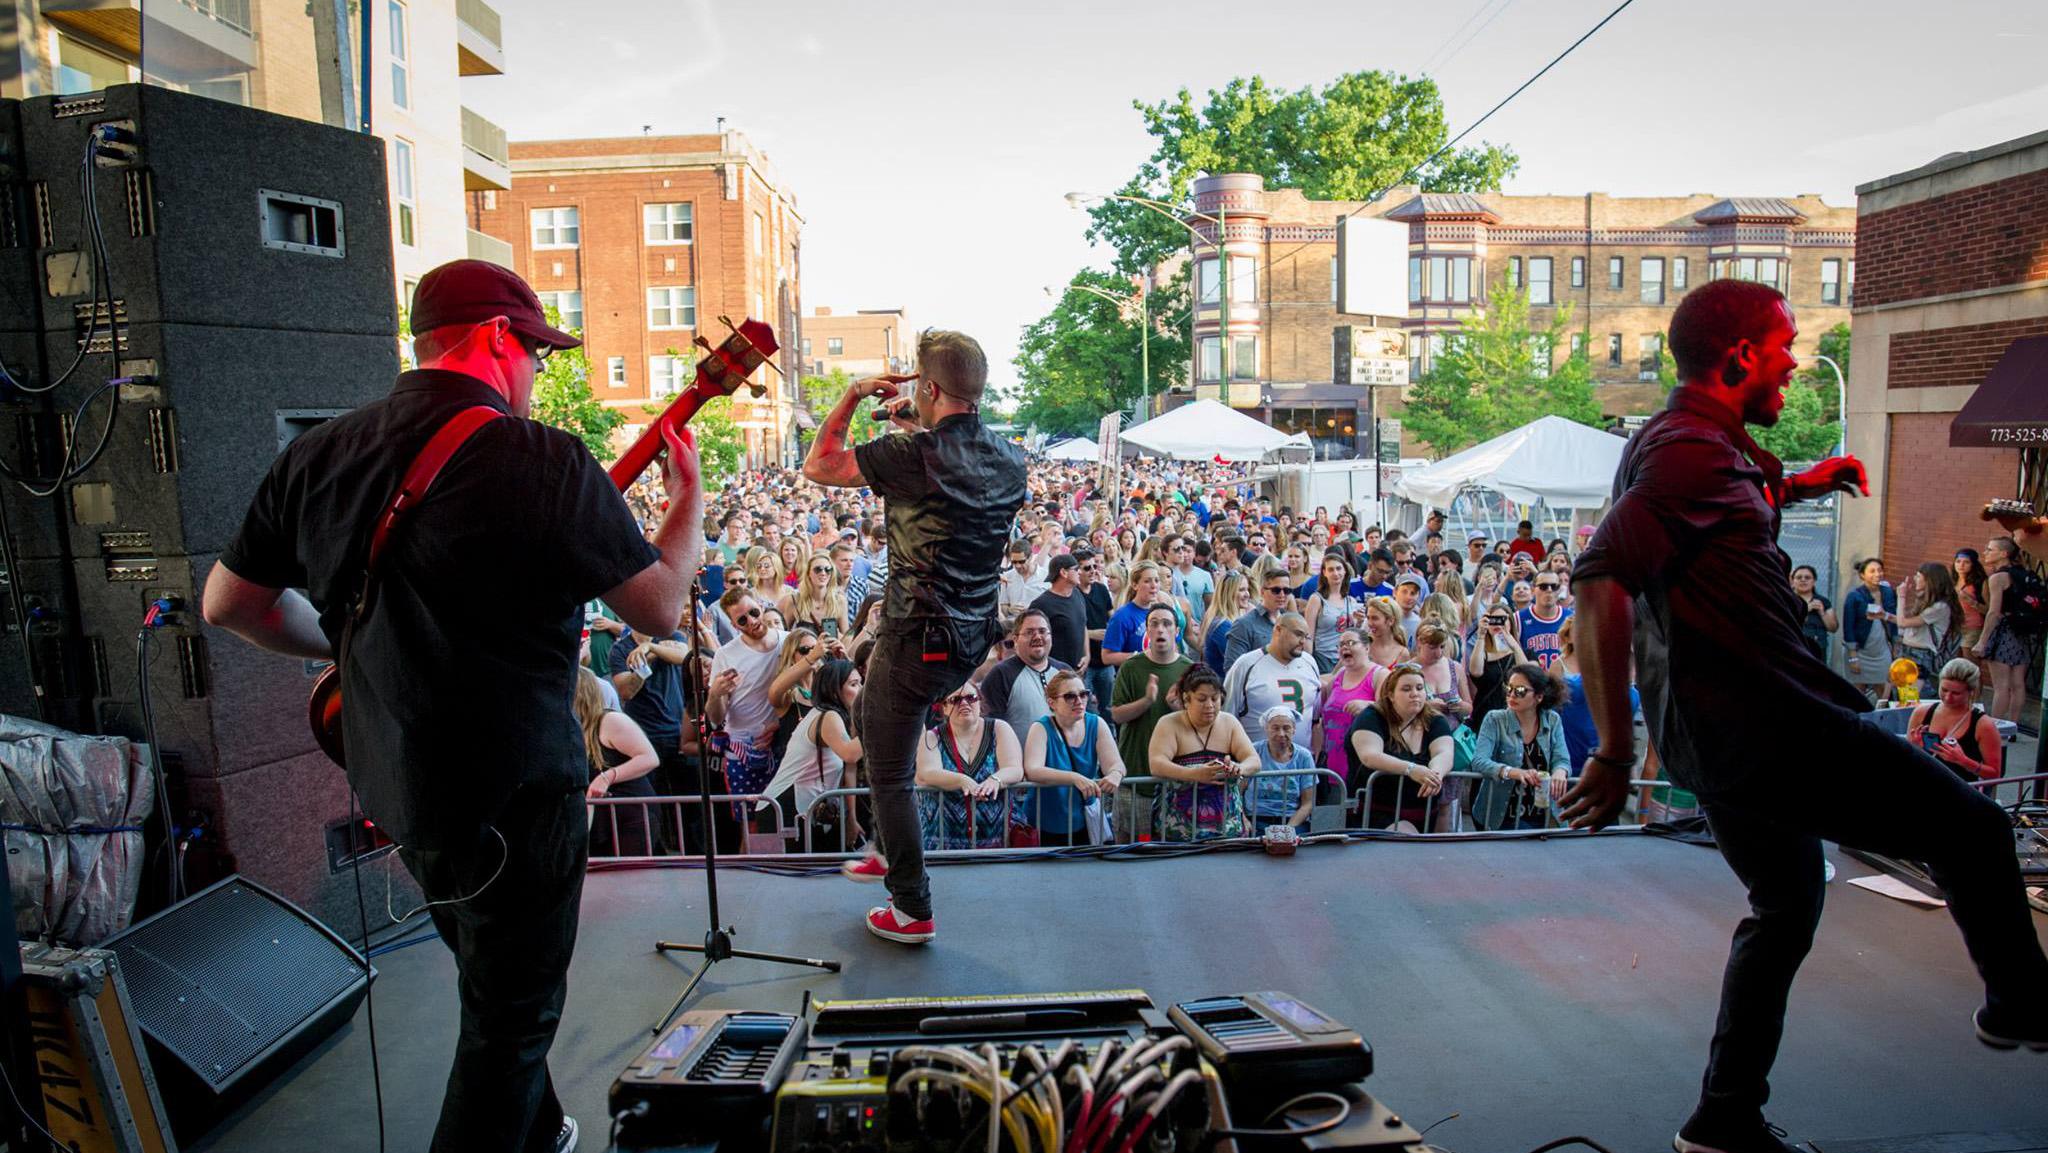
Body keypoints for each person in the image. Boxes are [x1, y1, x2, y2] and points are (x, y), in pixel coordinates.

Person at [202, 259, 703, 1153]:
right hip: (519, 795)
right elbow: (661, 604)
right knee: (508, 1027)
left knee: (493, 986)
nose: (536, 374)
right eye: (536, 353)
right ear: (494, 338)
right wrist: (688, 504)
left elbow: (228, 604)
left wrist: (345, 640)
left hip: (399, 787)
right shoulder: (540, 456)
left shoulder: (317, 452)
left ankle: (539, 1130)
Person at [1563, 277, 2048, 1153]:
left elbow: (1741, 495)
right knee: (1972, 830)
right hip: (1771, 725)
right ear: (1741, 354)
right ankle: (2025, 1004)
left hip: (1722, 738)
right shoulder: (1685, 451)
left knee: (1784, 903)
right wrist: (1611, 745)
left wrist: (1814, 478)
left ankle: (1723, 1117)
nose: (1794, 359)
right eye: (1784, 343)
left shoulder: (1707, 445)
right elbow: (1601, 578)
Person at [802, 329, 1027, 945]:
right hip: (973, 635)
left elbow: (820, 464)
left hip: (913, 635)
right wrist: (916, 426)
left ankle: (911, 907)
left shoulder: (912, 455)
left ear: (928, 387)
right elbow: (952, 470)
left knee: (886, 765)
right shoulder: (1011, 456)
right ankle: (886, 846)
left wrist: (850, 397)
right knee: (889, 749)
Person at [707, 590, 787, 846]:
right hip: (743, 751)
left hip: (782, 745)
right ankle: (750, 879)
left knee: (783, 821)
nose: (752, 621)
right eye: (742, 620)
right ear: (733, 625)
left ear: (761, 606)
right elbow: (715, 717)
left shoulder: (789, 642)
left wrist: (779, 725)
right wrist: (715, 695)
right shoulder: (726, 655)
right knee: (750, 829)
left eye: (754, 612)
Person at [759, 657, 865, 851]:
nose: (861, 689)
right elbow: (850, 755)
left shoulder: (842, 717)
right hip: (785, 809)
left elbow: (850, 768)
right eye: (853, 684)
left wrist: (851, 818)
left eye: (861, 682)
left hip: (806, 811)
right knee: (789, 879)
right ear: (834, 690)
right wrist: (880, 723)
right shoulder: (828, 716)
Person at [1111, 604, 1194, 842]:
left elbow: (1201, 723)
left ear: (1177, 630)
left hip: (1176, 782)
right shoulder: (1131, 666)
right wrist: (1147, 701)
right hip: (1135, 777)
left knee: (1168, 846)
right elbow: (1117, 715)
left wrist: (1177, 707)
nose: (1160, 629)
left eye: (1167, 623)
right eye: (1154, 623)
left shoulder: (1188, 669)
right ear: (1147, 631)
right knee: (1128, 845)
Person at [1147, 665, 1259, 842]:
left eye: (1215, 699)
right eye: (1201, 699)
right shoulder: (1169, 724)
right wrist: (1194, 774)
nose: (1209, 705)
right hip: (1179, 829)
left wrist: (1239, 768)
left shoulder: (1229, 722)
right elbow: (1157, 763)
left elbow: (1253, 760)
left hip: (1227, 826)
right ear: (1186, 699)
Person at [1346, 663, 1457, 832]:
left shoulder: (1435, 720)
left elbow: (1444, 752)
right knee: (1404, 839)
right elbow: (1369, 755)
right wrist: (1411, 769)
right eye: (1406, 689)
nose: (1415, 694)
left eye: (1420, 688)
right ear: (1391, 695)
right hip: (1378, 810)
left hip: (1423, 811)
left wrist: (1435, 774)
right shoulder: (1371, 716)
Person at [914, 684, 1025, 851]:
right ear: (944, 708)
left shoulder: (999, 729)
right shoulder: (932, 737)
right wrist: (962, 780)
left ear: (980, 702)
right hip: (942, 842)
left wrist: (995, 780)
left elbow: (1015, 768)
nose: (964, 703)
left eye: (971, 698)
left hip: (997, 840)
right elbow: (926, 773)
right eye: (956, 700)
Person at [1021, 669, 1125, 846]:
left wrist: (1115, 774)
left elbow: (1116, 763)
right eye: (1070, 696)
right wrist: (1073, 777)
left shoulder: (1096, 723)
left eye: (1083, 694)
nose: (1079, 701)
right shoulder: (1041, 728)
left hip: (1084, 818)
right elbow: (1032, 770)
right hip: (1045, 821)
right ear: (1051, 703)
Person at [1469, 663, 1571, 831]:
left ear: (1539, 696)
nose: (1512, 695)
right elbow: (1479, 761)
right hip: (1502, 815)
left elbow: (1562, 758)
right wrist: (1512, 772)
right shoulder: (1495, 719)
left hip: (1544, 813)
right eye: (1509, 689)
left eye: (1521, 691)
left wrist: (1561, 771)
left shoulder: (1552, 720)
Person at [576, 668, 661, 859]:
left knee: (630, 877)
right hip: (601, 820)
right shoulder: (574, 729)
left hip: (633, 815)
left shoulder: (610, 720)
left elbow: (649, 758)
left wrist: (607, 777)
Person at [980, 608, 1073, 749]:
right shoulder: (1000, 675)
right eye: (1029, 632)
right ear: (1016, 640)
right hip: (1023, 766)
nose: (1037, 637)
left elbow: (1085, 716)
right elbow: (991, 730)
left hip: (1067, 762)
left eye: (1042, 631)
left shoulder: (1065, 672)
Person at [1222, 611, 1323, 740]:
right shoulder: (1246, 664)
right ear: (1278, 630)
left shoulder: (1310, 662)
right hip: (1258, 756)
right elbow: (1227, 714)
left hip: (1301, 757)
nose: (1303, 641)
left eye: (1306, 637)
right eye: (1298, 634)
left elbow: (1315, 716)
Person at [1905, 659, 2003, 783]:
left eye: (1956, 693)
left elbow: (1994, 774)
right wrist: (1914, 748)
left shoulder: (1983, 725)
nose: (1948, 697)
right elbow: (1905, 759)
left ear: (1971, 692)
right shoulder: (1921, 713)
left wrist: (1963, 761)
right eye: (1944, 690)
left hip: (1961, 793)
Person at [1971, 536, 2033, 723]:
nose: (1985, 552)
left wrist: (1982, 641)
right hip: (2022, 631)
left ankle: (1994, 726)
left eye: (1990, 549)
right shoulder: (2023, 573)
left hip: (2003, 632)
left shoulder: (1998, 577)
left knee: (2001, 685)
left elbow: (1993, 612)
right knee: (2017, 684)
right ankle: (2013, 725)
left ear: (2004, 554)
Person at [1318, 629, 1381, 781]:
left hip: (1359, 762)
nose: (1345, 647)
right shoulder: (1340, 674)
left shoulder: (1379, 674)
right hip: (1331, 760)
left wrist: (1369, 705)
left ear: (1366, 648)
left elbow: (1393, 709)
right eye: (1341, 645)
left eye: (1351, 643)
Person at [1892, 561, 1960, 698]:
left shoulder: (1940, 607)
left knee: (1910, 697)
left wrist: (1901, 597)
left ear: (1929, 580)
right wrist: (1885, 616)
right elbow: (1908, 621)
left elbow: (1902, 622)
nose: (1915, 579)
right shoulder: (1926, 601)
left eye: (1918, 576)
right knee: (1900, 695)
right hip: (1905, 650)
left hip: (1920, 654)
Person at [1250, 706, 1317, 834]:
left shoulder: (1304, 756)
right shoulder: (1254, 751)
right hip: (1255, 819)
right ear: (1266, 729)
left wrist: (1287, 829)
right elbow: (1237, 792)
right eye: (1275, 728)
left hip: (1292, 821)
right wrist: (1244, 820)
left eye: (1286, 728)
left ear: (1294, 730)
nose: (1281, 734)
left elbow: (1308, 803)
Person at [1842, 557, 1898, 703]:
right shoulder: (1854, 596)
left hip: (1882, 649)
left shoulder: (1888, 592)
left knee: (1884, 689)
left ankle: (1883, 719)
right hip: (1861, 650)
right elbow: (1848, 627)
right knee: (1858, 692)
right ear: (1863, 575)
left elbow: (1894, 619)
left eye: (1880, 570)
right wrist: (1853, 656)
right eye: (1872, 571)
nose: (1877, 574)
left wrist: (1896, 643)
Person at [1222, 568, 1294, 670]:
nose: (1282, 595)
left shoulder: (1291, 622)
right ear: (1262, 592)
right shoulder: (1244, 624)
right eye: (1276, 590)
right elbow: (1233, 668)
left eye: (1287, 590)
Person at [1031, 554, 1091, 673]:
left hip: (1079, 671)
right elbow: (1034, 640)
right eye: (1076, 569)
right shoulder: (1041, 604)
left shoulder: (1077, 594)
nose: (1079, 572)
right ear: (1063, 573)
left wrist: (1087, 655)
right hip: (1055, 674)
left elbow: (1083, 626)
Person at [1302, 552, 1360, 674]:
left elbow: (1355, 633)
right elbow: (1308, 635)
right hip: (1323, 658)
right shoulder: (1316, 599)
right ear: (1324, 573)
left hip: (1345, 658)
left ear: (1345, 571)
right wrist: (1307, 662)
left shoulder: (1350, 601)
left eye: (1338, 568)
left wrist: (1359, 621)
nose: (1335, 573)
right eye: (1331, 569)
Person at [779, 551, 849, 638]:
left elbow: (847, 637)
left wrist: (837, 636)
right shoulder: (795, 600)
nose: (823, 573)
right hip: (805, 651)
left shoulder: (839, 601)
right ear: (808, 574)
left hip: (829, 650)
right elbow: (783, 636)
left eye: (828, 569)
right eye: (817, 569)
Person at [1516, 569, 1572, 668]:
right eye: (1543, 586)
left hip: (1564, 681)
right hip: (1533, 680)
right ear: (1533, 590)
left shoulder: (1571, 618)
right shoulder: (1518, 619)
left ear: (1559, 590)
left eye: (1554, 586)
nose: (1549, 590)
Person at [1200, 571, 1250, 675]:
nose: (1247, 594)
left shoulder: (1232, 620)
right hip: (1223, 686)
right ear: (1229, 593)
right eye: (1241, 590)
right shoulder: (1222, 626)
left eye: (1247, 589)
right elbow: (1239, 662)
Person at [1790, 565, 1835, 664]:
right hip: (1794, 647)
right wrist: (1806, 610)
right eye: (1799, 577)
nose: (1803, 580)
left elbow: (1833, 628)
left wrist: (1822, 613)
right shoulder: (1787, 600)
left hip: (1818, 648)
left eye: (1807, 577)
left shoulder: (1823, 601)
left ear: (1814, 581)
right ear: (1793, 581)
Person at [1952, 548, 1989, 657]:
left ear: (1973, 564)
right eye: (1958, 561)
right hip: (1955, 626)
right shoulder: (1953, 580)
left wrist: (1971, 601)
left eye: (1966, 562)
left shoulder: (1981, 582)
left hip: (1972, 627)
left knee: (1969, 663)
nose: (1961, 565)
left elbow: (1989, 609)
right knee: (1954, 663)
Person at [1362, 597, 1410, 669]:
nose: (1369, 623)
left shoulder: (1402, 654)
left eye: (1375, 618)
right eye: (1368, 618)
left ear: (1390, 621)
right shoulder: (1362, 646)